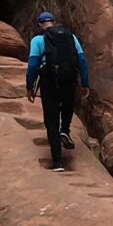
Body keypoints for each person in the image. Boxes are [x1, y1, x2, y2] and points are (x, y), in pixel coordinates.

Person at [27, 12, 90, 172]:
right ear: (54, 22)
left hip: (49, 81)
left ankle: (57, 163)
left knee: (51, 120)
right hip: (69, 79)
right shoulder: (70, 37)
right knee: (67, 106)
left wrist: (30, 86)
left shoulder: (38, 40)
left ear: (40, 24)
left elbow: (33, 64)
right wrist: (85, 83)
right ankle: (65, 130)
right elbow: (81, 60)